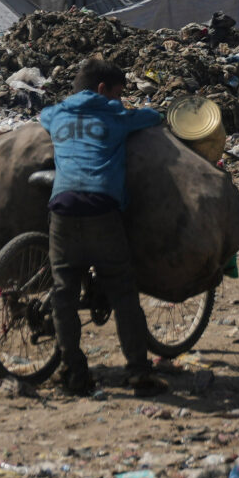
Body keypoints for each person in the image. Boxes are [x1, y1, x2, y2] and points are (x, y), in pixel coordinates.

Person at [37, 56, 168, 395]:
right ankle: (138, 372)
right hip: (102, 210)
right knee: (123, 291)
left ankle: (73, 371)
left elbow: (43, 116)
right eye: (118, 93)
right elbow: (153, 117)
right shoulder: (115, 115)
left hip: (62, 210)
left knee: (63, 293)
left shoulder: (57, 114)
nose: (120, 99)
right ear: (102, 89)